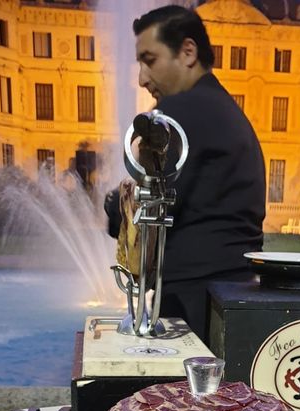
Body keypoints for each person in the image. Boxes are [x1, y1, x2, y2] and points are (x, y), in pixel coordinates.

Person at [106, 5, 266, 343]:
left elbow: (146, 214)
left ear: (187, 52)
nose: (141, 79)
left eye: (150, 61)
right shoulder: (221, 108)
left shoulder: (178, 116)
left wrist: (114, 205)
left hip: (191, 309)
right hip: (225, 296)